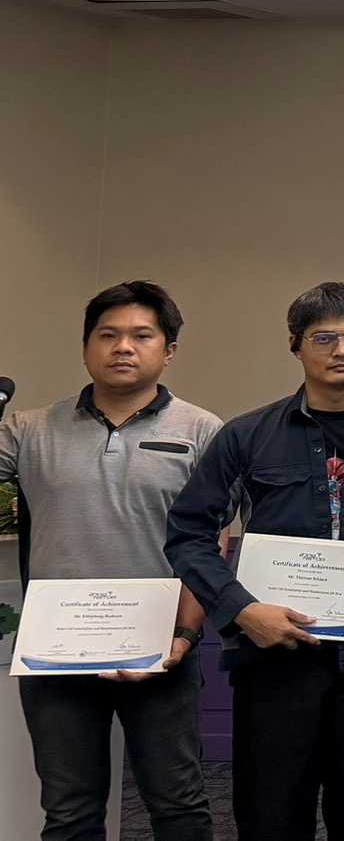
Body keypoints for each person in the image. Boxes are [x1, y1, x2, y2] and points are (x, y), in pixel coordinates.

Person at [164, 282, 344, 841]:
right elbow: (188, 533)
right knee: (270, 816)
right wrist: (242, 611)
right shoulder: (247, 435)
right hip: (275, 661)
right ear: (295, 345)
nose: (342, 350)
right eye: (323, 338)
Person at [2, 282, 220, 841]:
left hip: (160, 647)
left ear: (168, 350)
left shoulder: (203, 431)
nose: (123, 347)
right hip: (55, 652)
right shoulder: (25, 428)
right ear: (85, 347)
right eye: (108, 335)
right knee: (69, 811)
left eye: (141, 336)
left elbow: (210, 548)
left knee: (178, 803)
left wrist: (184, 636)